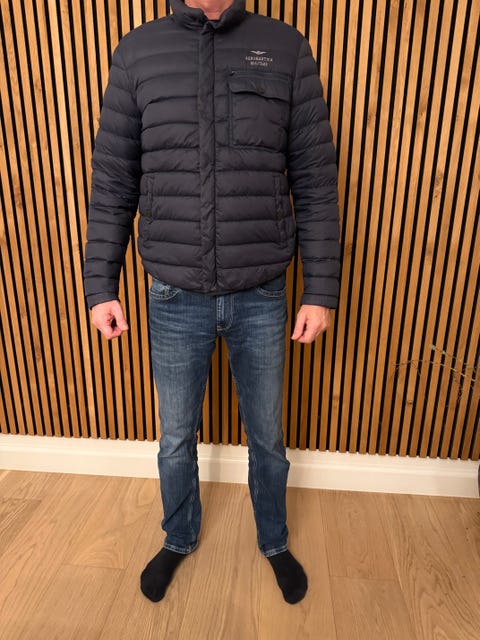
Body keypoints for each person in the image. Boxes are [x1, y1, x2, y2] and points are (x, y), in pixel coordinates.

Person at [84, 0, 340, 605]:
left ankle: (274, 540)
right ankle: (178, 536)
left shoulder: (285, 47)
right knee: (175, 436)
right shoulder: (138, 51)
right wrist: (101, 285)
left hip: (262, 291)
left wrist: (320, 290)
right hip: (174, 293)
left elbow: (315, 181)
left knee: (268, 436)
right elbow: (114, 181)